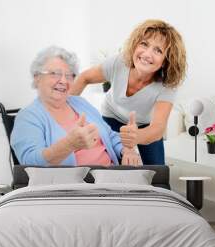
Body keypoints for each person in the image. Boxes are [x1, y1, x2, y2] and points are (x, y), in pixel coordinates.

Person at [70, 19, 187, 165]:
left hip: (144, 125)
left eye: (158, 50)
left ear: (165, 61)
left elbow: (158, 128)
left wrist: (135, 136)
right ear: (135, 44)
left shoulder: (167, 85)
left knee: (157, 172)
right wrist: (64, 111)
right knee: (114, 166)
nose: (147, 54)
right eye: (144, 44)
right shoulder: (119, 63)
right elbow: (84, 78)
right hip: (111, 118)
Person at [11, 46, 141, 166]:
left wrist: (126, 150)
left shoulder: (80, 103)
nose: (63, 80)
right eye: (55, 73)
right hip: (71, 187)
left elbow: (110, 136)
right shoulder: (27, 117)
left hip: (109, 179)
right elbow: (30, 163)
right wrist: (69, 144)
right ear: (37, 77)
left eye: (69, 75)